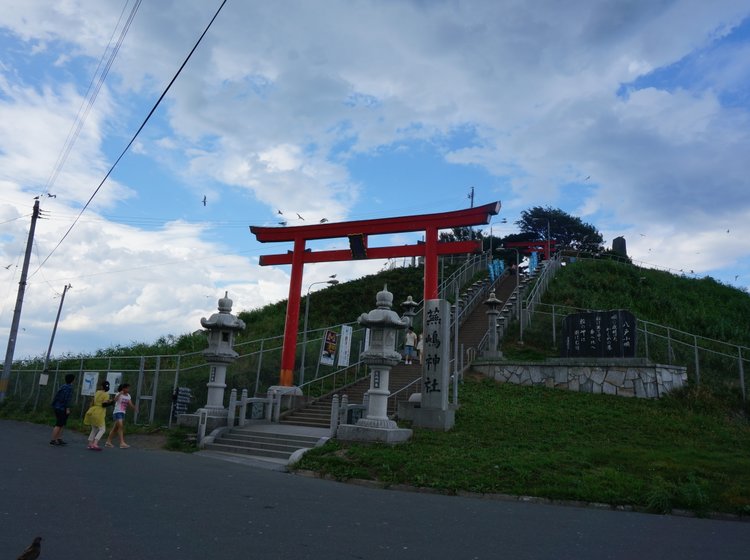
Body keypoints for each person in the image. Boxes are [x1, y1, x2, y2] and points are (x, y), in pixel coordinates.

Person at [105, 383, 137, 449]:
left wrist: (134, 408)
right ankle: (122, 443)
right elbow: (115, 400)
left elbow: (130, 403)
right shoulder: (118, 394)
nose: (128, 389)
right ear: (123, 388)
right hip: (117, 412)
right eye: (127, 388)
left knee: (115, 428)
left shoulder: (128, 396)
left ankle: (108, 442)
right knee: (121, 426)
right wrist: (120, 393)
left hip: (123, 413)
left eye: (129, 388)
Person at [83, 380, 113, 451]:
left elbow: (93, 402)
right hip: (99, 412)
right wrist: (111, 402)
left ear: (101, 386)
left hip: (93, 410)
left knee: (94, 429)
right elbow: (104, 404)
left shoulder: (97, 392)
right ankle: (95, 443)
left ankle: (90, 443)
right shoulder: (106, 394)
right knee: (102, 429)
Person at [50, 374, 75, 446]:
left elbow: (57, 396)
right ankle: (53, 440)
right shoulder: (69, 388)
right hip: (62, 408)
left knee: (61, 424)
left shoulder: (63, 386)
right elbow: (67, 399)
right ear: (72, 380)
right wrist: (67, 408)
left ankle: (58, 439)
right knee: (59, 424)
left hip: (57, 406)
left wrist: (54, 404)